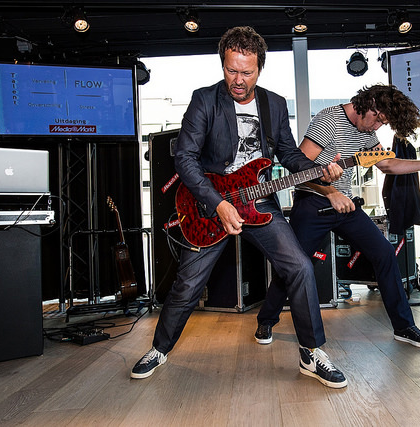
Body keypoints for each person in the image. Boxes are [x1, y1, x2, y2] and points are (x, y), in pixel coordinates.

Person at [131, 26, 349, 389]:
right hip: (211, 203)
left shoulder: (274, 104)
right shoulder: (205, 100)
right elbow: (185, 158)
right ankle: (159, 349)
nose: (238, 79)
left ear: (259, 68)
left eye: (247, 72)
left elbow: (289, 154)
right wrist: (217, 203)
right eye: (231, 70)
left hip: (259, 201)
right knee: (188, 284)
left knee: (299, 267)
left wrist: (321, 169)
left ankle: (311, 353)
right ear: (223, 65)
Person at [255, 84, 420, 349]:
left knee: (384, 253)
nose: (377, 127)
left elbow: (386, 164)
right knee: (294, 266)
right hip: (313, 203)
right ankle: (266, 320)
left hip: (346, 205)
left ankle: (404, 326)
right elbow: (298, 171)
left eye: (383, 123)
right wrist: (330, 192)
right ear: (367, 104)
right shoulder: (329, 120)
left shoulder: (367, 130)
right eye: (378, 119)